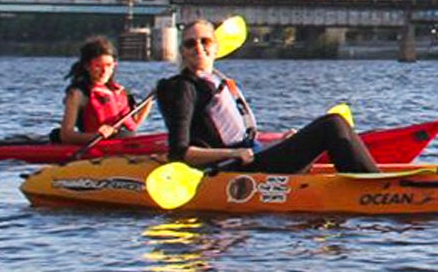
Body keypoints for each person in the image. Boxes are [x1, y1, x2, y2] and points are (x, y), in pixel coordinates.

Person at [153, 18, 381, 174]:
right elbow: (179, 153)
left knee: (332, 124)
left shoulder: (215, 80)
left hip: (254, 157)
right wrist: (234, 152)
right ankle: (371, 187)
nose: (199, 47)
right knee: (332, 124)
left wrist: (279, 142)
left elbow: (242, 137)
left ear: (216, 46)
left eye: (205, 41)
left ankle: (365, 179)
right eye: (190, 43)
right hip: (234, 170)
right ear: (182, 51)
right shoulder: (183, 88)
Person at [56, 36, 142, 147]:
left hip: (118, 142)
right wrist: (97, 136)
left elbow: (133, 125)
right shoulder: (77, 94)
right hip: (93, 146)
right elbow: (66, 136)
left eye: (109, 66)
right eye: (98, 66)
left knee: (128, 135)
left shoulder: (117, 92)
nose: (104, 72)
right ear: (87, 66)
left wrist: (150, 101)